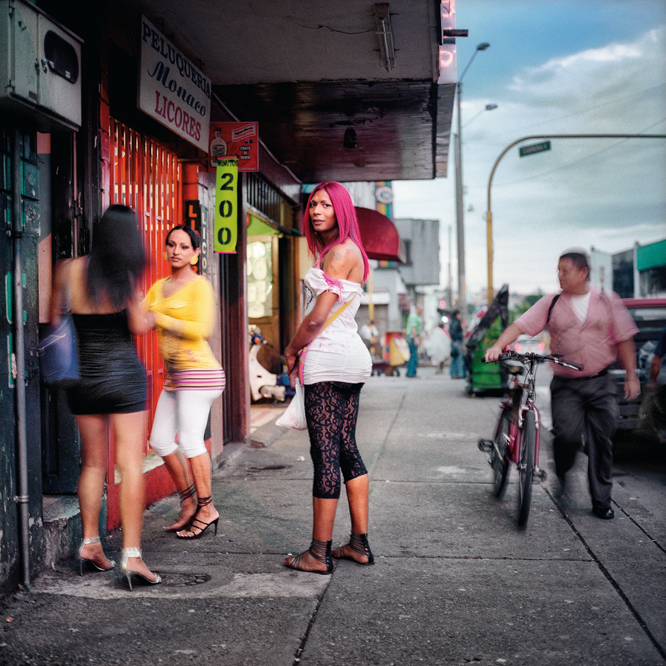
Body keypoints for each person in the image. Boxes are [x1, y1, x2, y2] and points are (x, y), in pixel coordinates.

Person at [50, 204, 160, 590]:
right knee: (130, 464)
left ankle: (91, 545)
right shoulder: (127, 279)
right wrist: (150, 310)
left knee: (93, 463)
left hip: (83, 378)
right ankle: (132, 556)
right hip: (124, 378)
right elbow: (139, 326)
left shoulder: (68, 270)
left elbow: (52, 316)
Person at [485, 250, 639, 519]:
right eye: (557, 270)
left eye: (564, 270)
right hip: (567, 385)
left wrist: (631, 375)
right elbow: (520, 325)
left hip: (601, 382)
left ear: (583, 273)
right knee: (567, 436)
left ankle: (601, 501)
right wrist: (499, 345)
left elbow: (624, 338)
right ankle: (563, 473)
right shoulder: (552, 302)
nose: (559, 276)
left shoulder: (606, 300)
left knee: (601, 442)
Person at [283, 182, 373, 574]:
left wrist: (290, 348)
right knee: (346, 447)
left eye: (325, 204)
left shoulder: (337, 254)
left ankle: (317, 553)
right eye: (313, 204)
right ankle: (358, 544)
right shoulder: (353, 252)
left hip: (327, 362)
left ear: (341, 210)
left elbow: (318, 317)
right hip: (351, 360)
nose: (316, 210)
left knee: (325, 457)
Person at [144, 226, 225, 539]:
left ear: (195, 252)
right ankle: (189, 502)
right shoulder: (158, 287)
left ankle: (207, 508)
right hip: (176, 378)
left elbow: (203, 328)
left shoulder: (199, 286)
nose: (175, 250)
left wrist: (159, 318)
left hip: (200, 374)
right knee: (161, 441)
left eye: (183, 246)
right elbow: (140, 319)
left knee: (191, 441)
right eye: (171, 245)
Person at [405, 305, 423, 377]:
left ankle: (411, 372)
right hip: (412, 337)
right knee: (413, 356)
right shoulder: (414, 316)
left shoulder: (416, 316)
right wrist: (416, 339)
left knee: (412, 355)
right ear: (417, 309)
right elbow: (413, 328)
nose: (422, 312)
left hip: (412, 337)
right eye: (421, 310)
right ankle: (411, 372)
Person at [449, 310, 465, 379]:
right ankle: (458, 374)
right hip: (456, 341)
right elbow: (454, 332)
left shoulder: (453, 322)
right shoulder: (456, 322)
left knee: (454, 358)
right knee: (458, 358)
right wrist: (455, 340)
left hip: (454, 341)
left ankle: (453, 374)